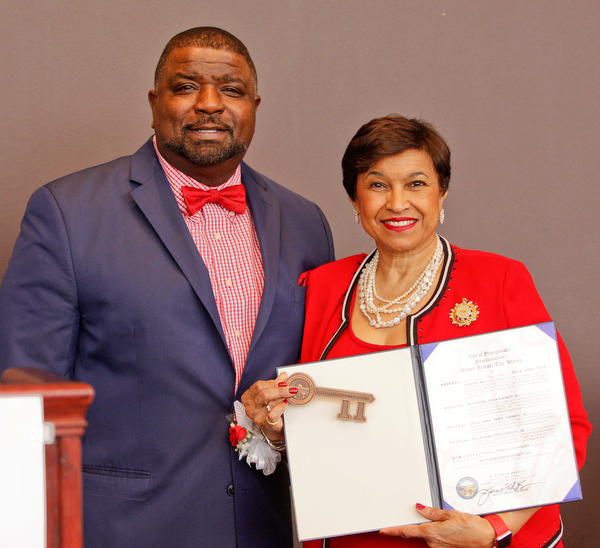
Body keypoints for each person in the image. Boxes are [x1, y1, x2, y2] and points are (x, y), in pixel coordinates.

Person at [0, 27, 333, 548]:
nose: (209, 104)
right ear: (155, 103)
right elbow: (27, 403)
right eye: (185, 87)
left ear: (254, 105)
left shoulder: (305, 221)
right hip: (121, 532)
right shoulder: (68, 212)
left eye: (231, 89)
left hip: (264, 529)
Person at [241, 115, 591, 548]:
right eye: (378, 185)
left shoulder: (499, 279)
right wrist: (279, 430)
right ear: (355, 200)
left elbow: (564, 427)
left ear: (442, 192)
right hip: (355, 537)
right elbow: (319, 430)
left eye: (416, 184)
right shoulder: (321, 287)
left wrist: (495, 529)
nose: (397, 203)